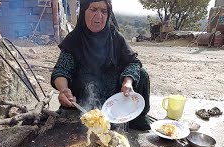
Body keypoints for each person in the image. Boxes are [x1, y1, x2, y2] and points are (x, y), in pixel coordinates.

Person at [50, 0, 151, 131]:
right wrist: (63, 90)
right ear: (84, 11)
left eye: (104, 11)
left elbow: (133, 62)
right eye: (93, 10)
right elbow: (61, 70)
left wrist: (127, 81)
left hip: (112, 100)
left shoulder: (115, 37)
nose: (99, 16)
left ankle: (133, 120)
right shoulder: (74, 39)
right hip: (83, 100)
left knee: (141, 74)